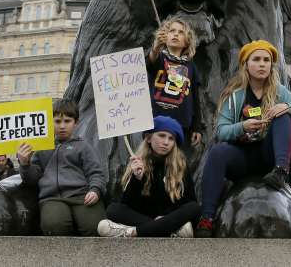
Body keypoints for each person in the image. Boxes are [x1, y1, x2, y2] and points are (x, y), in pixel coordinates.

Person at [196, 40, 291, 237]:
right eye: (256, 59)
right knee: (218, 152)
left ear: (271, 65)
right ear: (246, 64)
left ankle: (281, 172)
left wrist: (290, 111)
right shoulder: (235, 96)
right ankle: (207, 217)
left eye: (266, 60)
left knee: (283, 114)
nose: (262, 64)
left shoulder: (282, 92)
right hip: (242, 156)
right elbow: (221, 131)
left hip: (270, 155)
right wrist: (241, 126)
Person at [99, 116, 200, 238]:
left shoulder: (180, 166)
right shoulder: (138, 162)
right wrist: (137, 179)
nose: (166, 142)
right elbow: (128, 204)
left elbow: (189, 201)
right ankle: (168, 231)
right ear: (148, 138)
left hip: (169, 216)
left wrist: (166, 217)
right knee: (113, 209)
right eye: (161, 135)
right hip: (146, 216)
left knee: (194, 207)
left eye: (171, 139)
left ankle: (132, 232)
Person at [18, 99, 107, 236]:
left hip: (82, 196)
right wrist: (25, 165)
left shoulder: (83, 146)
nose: (62, 126)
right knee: (54, 226)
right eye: (58, 121)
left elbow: (96, 173)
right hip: (52, 198)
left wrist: (95, 190)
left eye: (67, 121)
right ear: (50, 122)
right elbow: (33, 178)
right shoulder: (41, 148)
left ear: (76, 122)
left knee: (95, 227)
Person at [146, 17, 204, 147]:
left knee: (176, 164)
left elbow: (195, 98)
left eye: (181, 32)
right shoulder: (159, 58)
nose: (176, 34)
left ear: (187, 41)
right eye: (172, 31)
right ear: (165, 36)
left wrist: (197, 127)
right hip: (155, 123)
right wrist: (155, 48)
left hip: (181, 125)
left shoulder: (191, 66)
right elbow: (149, 64)